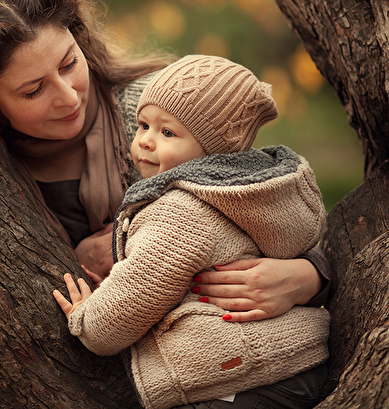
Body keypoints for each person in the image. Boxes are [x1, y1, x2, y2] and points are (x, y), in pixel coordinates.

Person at [0, 0, 330, 322]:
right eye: (33, 91)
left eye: (69, 63)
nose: (68, 97)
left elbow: (275, 204)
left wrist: (307, 276)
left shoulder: (164, 110)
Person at [53, 55, 330, 409]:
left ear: (212, 147)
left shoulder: (181, 211)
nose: (147, 142)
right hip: (289, 359)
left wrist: (88, 320)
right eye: (142, 126)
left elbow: (136, 295)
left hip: (235, 376)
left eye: (167, 132)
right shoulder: (251, 194)